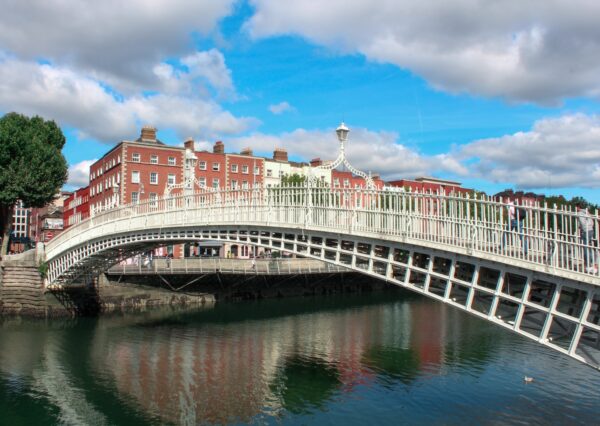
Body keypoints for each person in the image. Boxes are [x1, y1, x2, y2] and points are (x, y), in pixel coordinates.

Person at [577, 204, 596, 271]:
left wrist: (581, 228)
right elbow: (592, 221)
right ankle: (593, 262)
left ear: (578, 207)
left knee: (585, 248)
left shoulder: (579, 213)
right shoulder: (587, 212)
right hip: (591, 230)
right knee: (589, 247)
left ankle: (588, 264)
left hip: (586, 231)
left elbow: (582, 223)